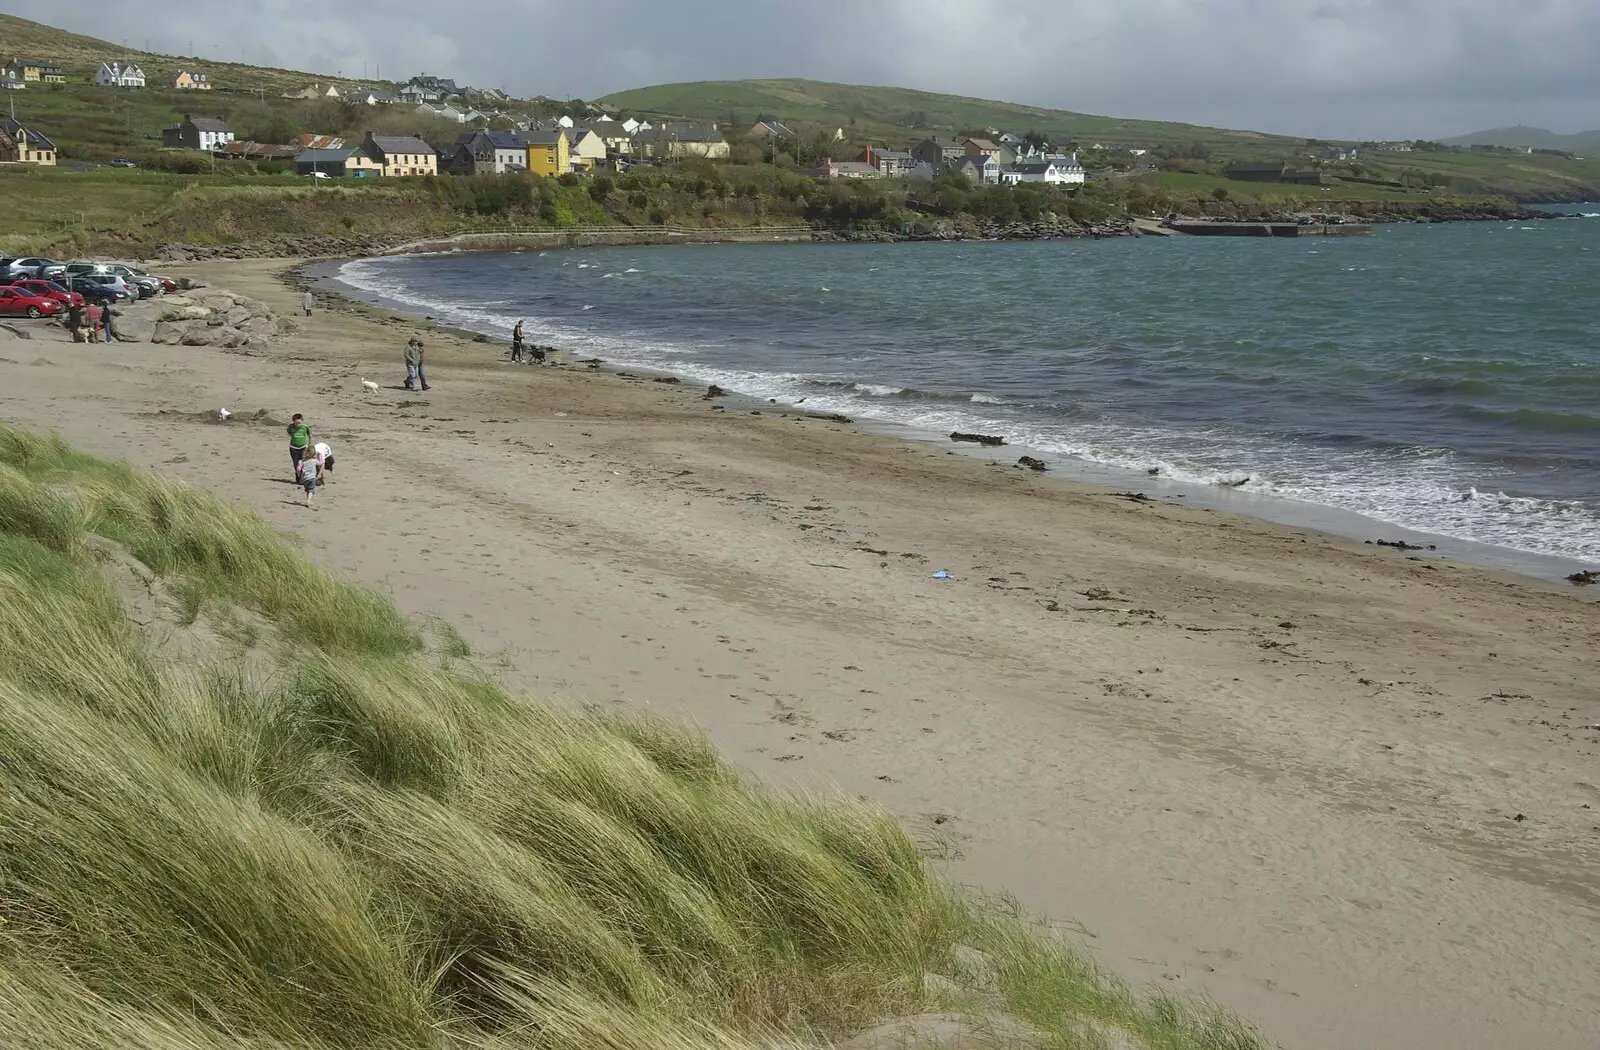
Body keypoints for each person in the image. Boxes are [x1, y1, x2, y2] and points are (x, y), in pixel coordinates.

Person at [286, 413, 311, 478]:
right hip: (293, 448)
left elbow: (309, 435)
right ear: (293, 421)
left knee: (304, 463)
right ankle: (298, 476)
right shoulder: (291, 426)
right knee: (296, 463)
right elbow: (289, 432)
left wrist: (309, 444)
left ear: (302, 420)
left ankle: (304, 476)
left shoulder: (305, 427)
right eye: (296, 423)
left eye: (299, 423)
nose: (298, 425)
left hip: (303, 447)